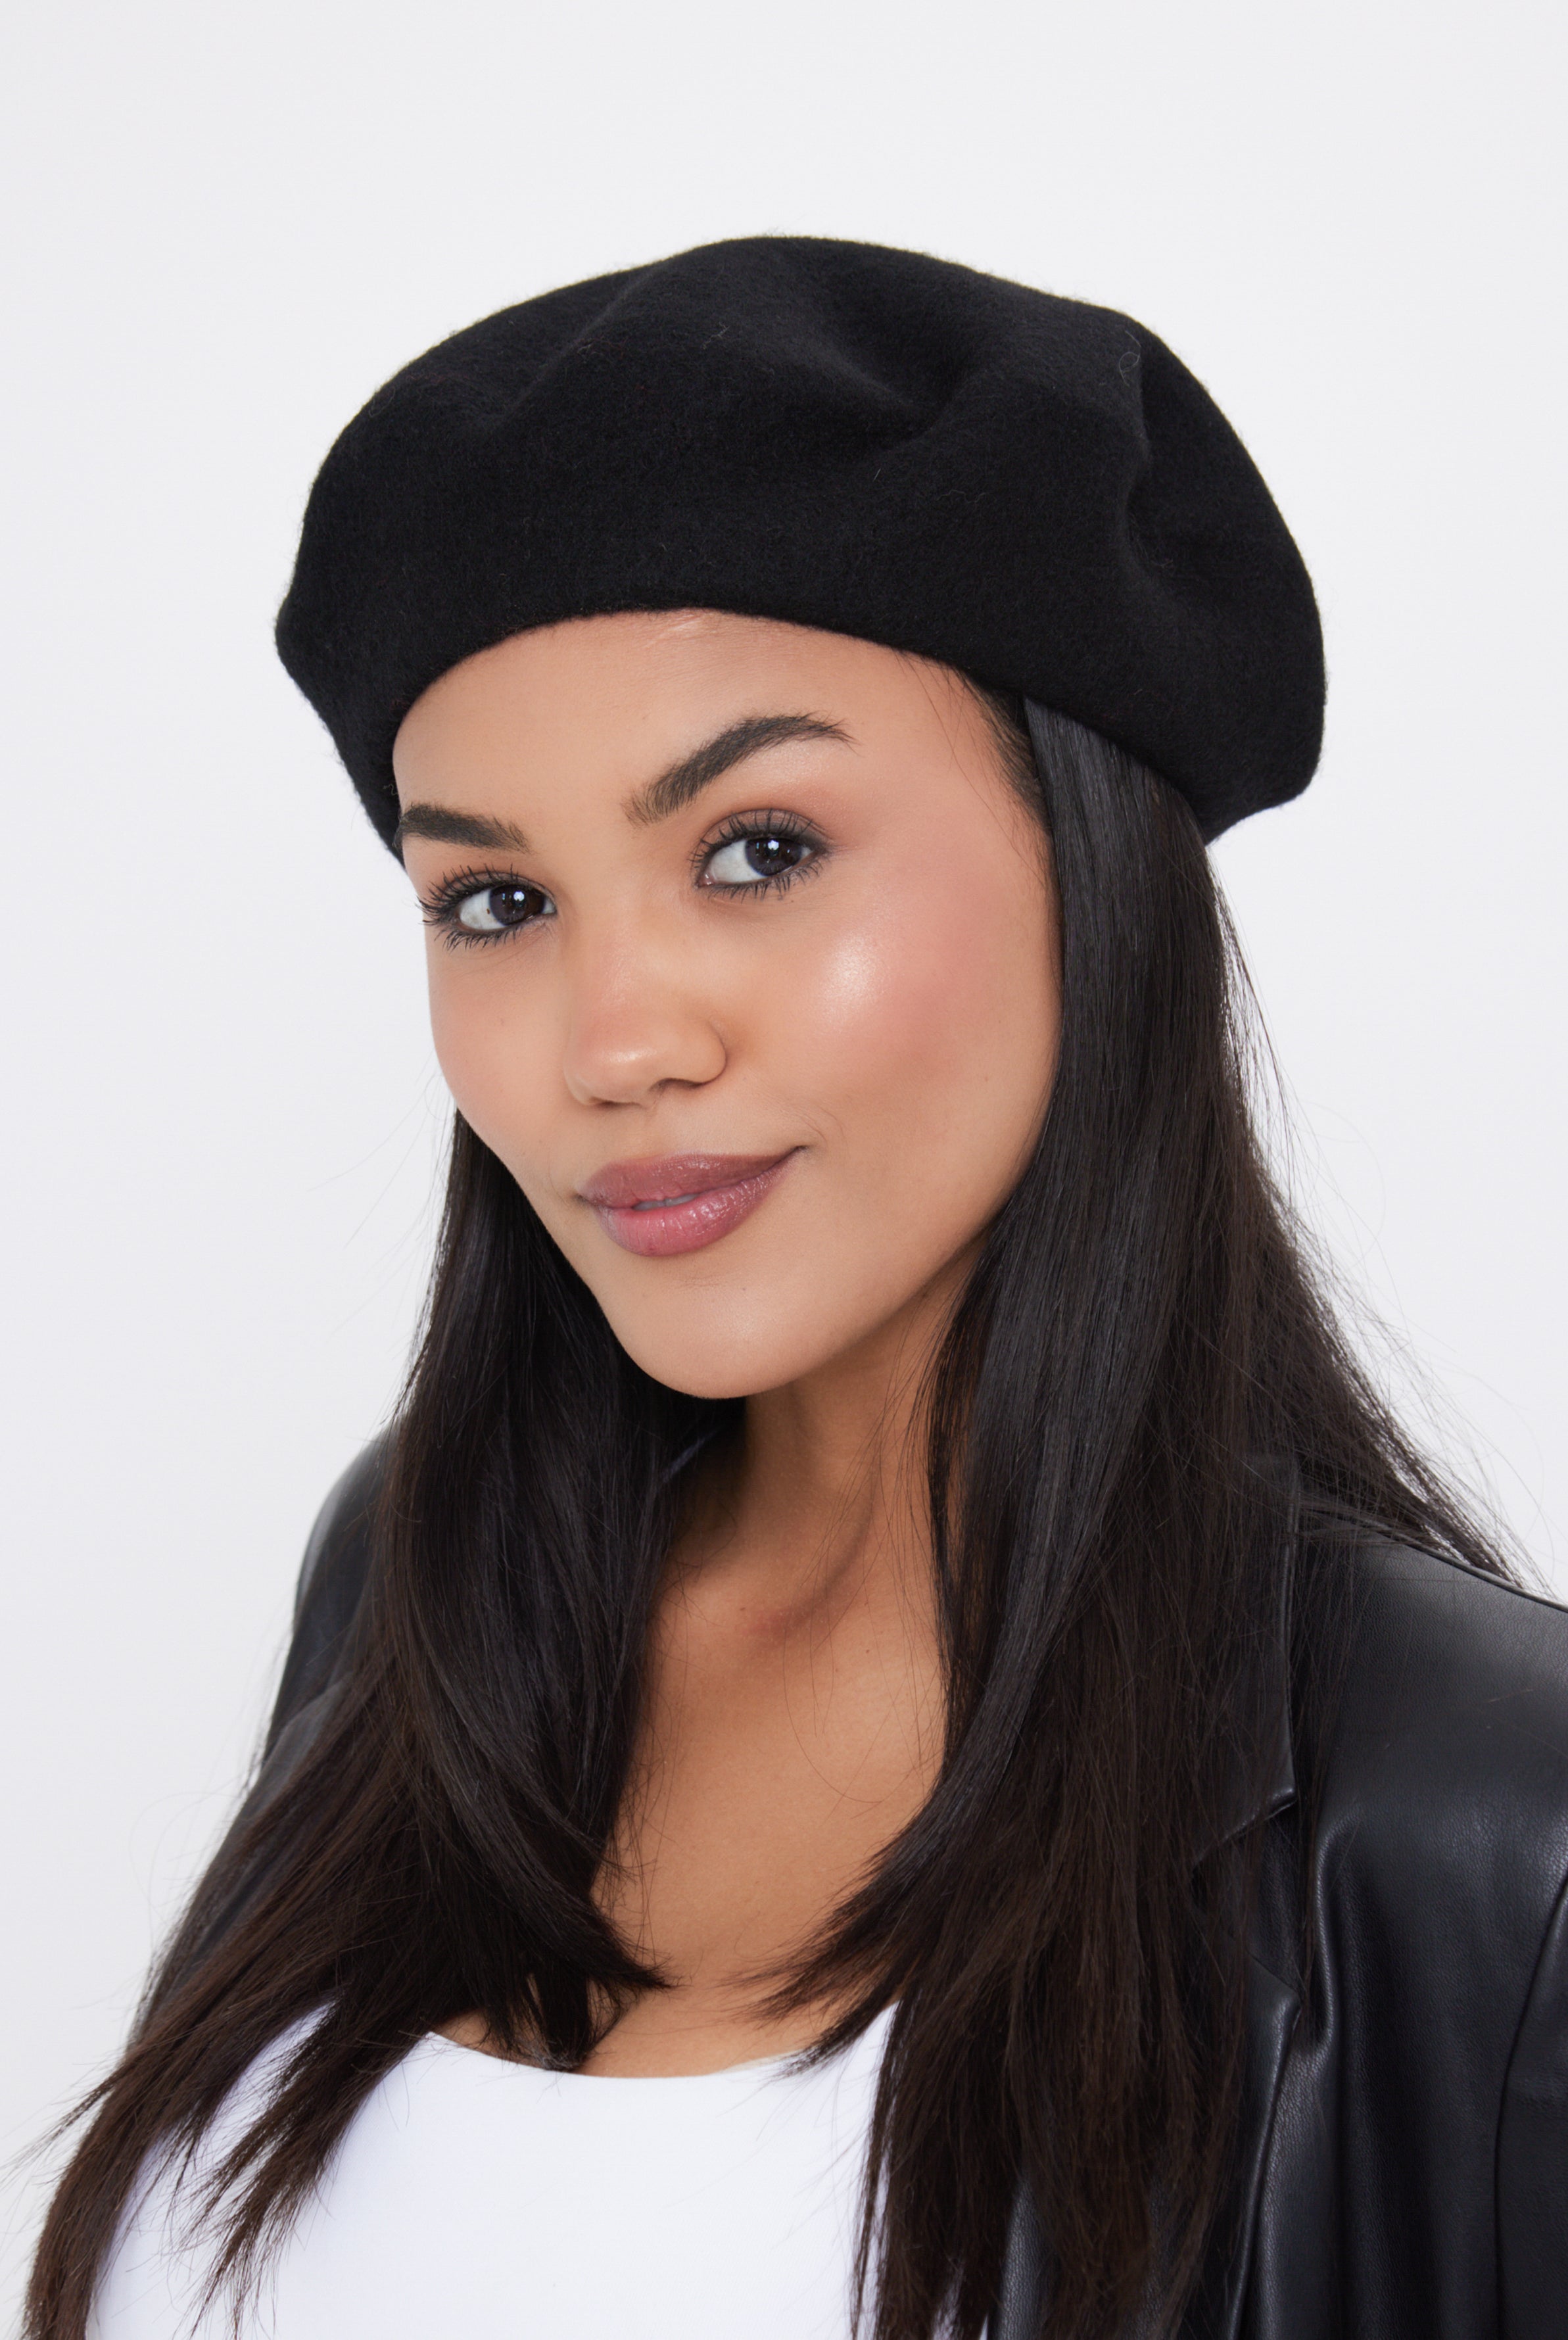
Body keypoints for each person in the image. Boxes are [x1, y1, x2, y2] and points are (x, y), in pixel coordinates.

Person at [28, 237, 1567, 2340]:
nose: (609, 1038)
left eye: (755, 848)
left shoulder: (1486, 1827)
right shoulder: (420, 1580)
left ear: (1089, 861)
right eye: (493, 898)